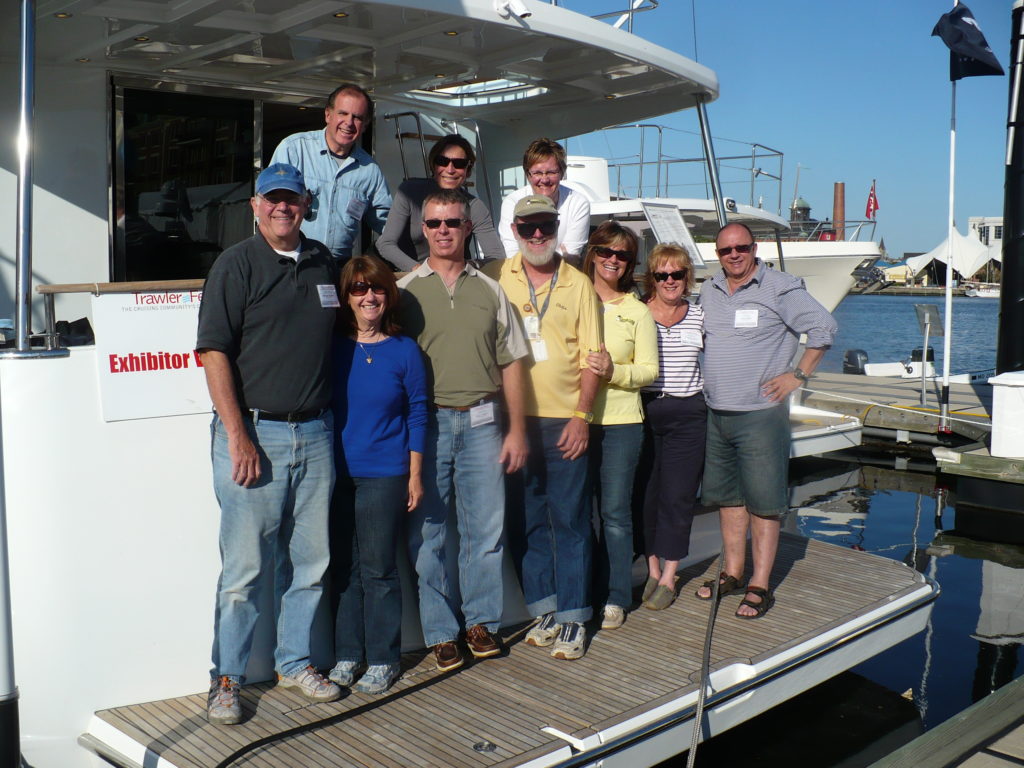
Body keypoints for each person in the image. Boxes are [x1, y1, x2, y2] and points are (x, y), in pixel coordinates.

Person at [197, 163, 341, 726]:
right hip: (256, 434)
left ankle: (295, 661)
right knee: (245, 570)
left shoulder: (325, 261)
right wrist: (239, 435)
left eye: (292, 199)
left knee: (310, 562)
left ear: (306, 203)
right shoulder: (235, 264)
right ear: (255, 206)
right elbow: (213, 354)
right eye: (272, 199)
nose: (283, 208)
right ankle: (226, 678)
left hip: (318, 432)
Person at [397, 188, 529, 672]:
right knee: (428, 533)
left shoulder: (491, 290)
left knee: (484, 531)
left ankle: (481, 624)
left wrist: (516, 430)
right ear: (423, 229)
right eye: (434, 224)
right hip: (426, 426)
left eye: (452, 222)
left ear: (467, 227)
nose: (443, 231)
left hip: (482, 423)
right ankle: (439, 633)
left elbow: (512, 362)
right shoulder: (405, 290)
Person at [696, 222, 837, 618]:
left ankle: (760, 584)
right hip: (717, 412)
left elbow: (823, 327)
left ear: (754, 248)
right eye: (726, 250)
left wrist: (798, 375)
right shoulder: (709, 289)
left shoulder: (779, 286)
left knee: (764, 503)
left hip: (759, 416)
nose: (734, 255)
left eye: (741, 247)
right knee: (729, 499)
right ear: (718, 255)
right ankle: (733, 572)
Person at [486, 194, 601, 660]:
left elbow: (594, 359)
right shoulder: (497, 277)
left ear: (557, 227)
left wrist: (582, 417)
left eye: (546, 226)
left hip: (564, 420)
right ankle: (545, 607)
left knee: (570, 520)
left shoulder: (578, 284)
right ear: (514, 229)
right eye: (529, 227)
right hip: (513, 421)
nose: (538, 235)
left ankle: (575, 616)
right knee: (527, 519)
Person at [327, 256, 428, 695]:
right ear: (345, 297)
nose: (369, 297)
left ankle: (384, 658)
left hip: (385, 472)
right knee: (344, 568)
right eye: (359, 289)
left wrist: (415, 473)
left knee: (379, 569)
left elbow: (419, 412)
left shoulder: (405, 350)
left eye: (378, 289)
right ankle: (348, 653)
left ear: (389, 295)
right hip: (335, 473)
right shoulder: (331, 346)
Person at [580, 222, 658, 629]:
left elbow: (649, 371)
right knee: (578, 514)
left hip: (622, 424)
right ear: (592, 253)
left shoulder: (636, 310)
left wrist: (615, 371)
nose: (613, 259)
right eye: (606, 251)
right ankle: (584, 592)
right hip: (576, 421)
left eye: (623, 254)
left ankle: (615, 595)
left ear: (630, 263)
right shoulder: (574, 298)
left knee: (613, 513)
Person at [638, 244, 706, 611]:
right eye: (662, 274)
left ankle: (670, 573)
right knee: (646, 494)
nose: (669, 281)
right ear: (653, 277)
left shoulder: (699, 316)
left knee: (678, 497)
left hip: (687, 413)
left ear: (686, 277)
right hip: (645, 409)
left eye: (676, 274)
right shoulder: (638, 312)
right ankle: (651, 566)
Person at [270, 83, 391, 261]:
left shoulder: (370, 170)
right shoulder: (294, 149)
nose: (349, 123)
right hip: (291, 261)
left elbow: (387, 224)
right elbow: (267, 207)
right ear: (328, 114)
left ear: (365, 125)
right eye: (343, 113)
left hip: (337, 268)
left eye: (357, 117)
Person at [376, 134, 503, 270]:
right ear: (433, 164)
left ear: (468, 169)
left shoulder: (475, 206)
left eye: (459, 164)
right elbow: (386, 243)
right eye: (442, 161)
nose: (450, 170)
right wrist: (419, 270)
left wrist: (467, 267)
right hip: (410, 274)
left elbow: (497, 257)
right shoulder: (409, 192)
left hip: (455, 276)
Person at [498, 138, 590, 259]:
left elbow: (570, 257)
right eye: (537, 173)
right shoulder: (512, 202)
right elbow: (513, 254)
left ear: (562, 173)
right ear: (528, 175)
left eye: (551, 172)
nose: (545, 179)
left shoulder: (578, 203)